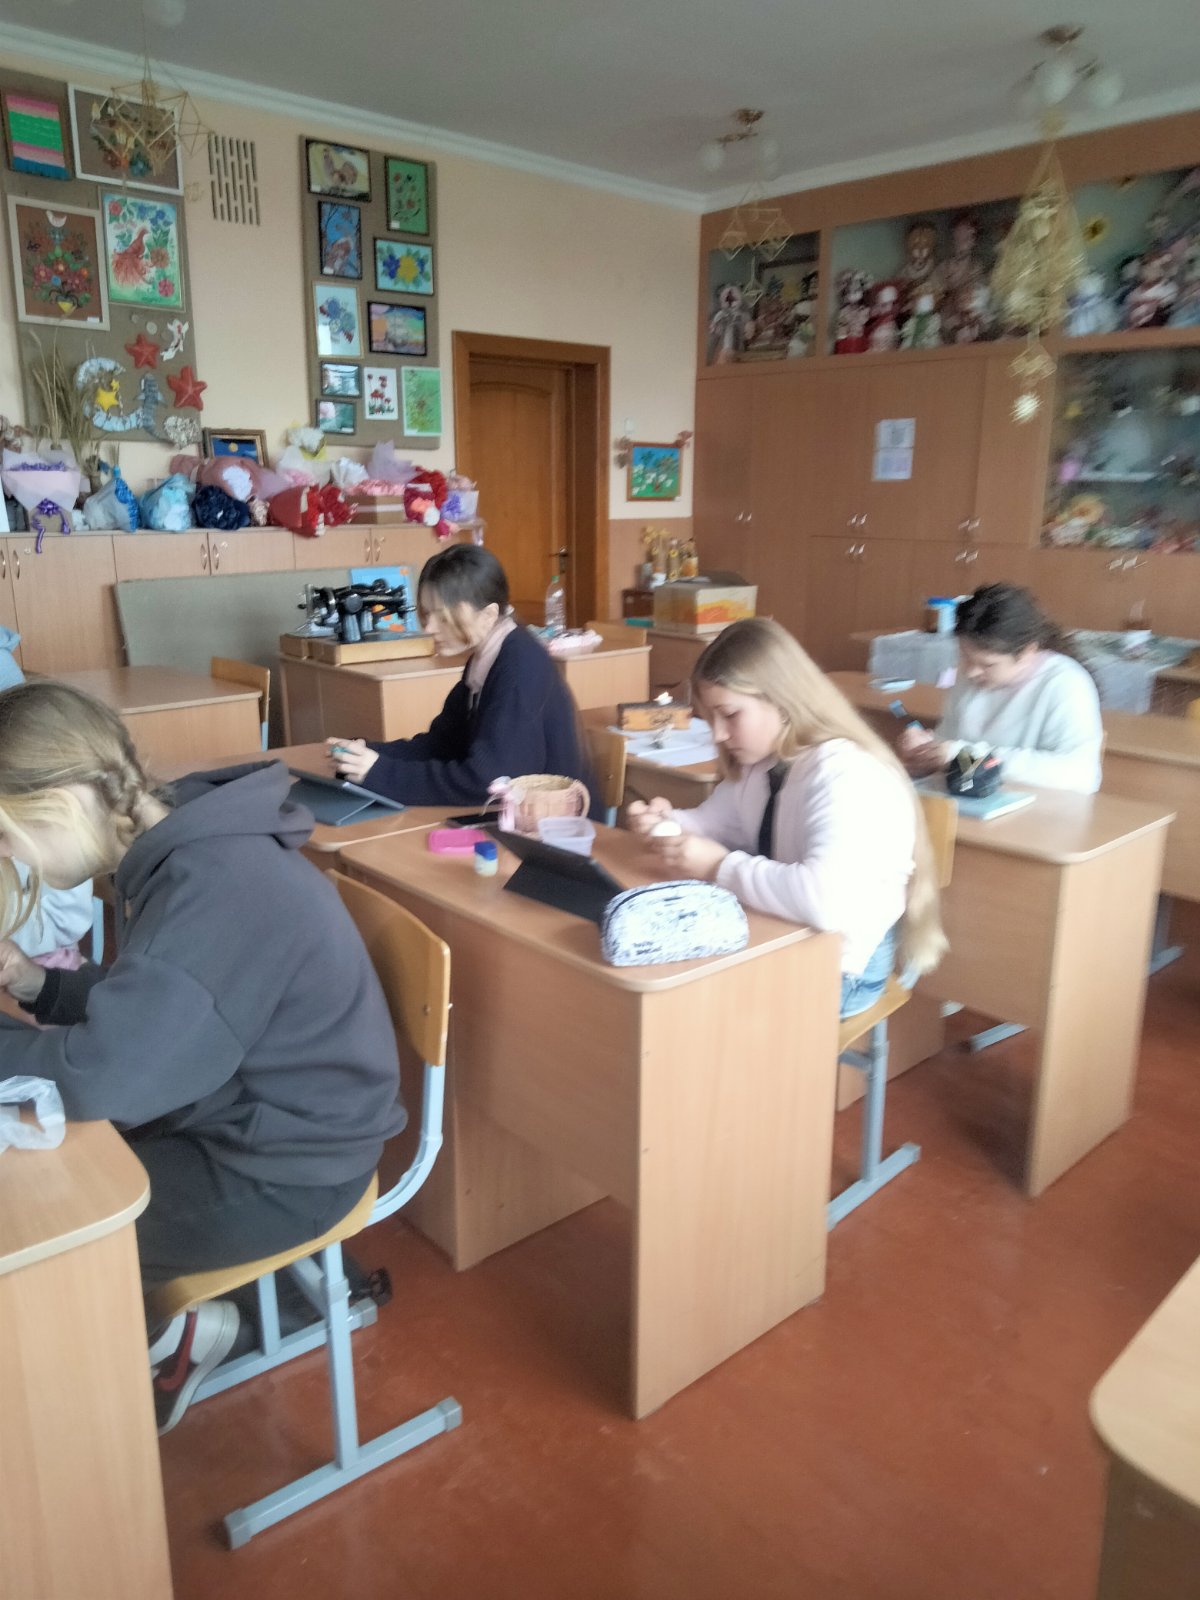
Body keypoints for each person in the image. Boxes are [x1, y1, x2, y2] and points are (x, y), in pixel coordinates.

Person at [0, 681, 405, 1432]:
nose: (6, 854)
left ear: (57, 803)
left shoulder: (215, 883)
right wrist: (40, 985)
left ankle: (175, 1344)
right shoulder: (177, 837)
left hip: (295, 1165)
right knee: (54, 1185)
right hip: (240, 1115)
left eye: (4, 834)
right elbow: (158, 1006)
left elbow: (107, 1078)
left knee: (60, 1238)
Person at [625, 618, 946, 1020]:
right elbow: (712, 825)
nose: (718, 735)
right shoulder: (764, 762)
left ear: (781, 701)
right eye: (711, 719)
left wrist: (716, 866)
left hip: (843, 969)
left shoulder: (846, 773)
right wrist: (666, 824)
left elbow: (825, 902)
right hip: (788, 938)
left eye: (730, 715)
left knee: (688, 1003)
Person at [326, 544, 597, 811]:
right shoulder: (486, 659)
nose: (429, 628)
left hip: (554, 825)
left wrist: (380, 772)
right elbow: (443, 744)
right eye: (427, 614)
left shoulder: (520, 666)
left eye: (444, 618)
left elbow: (489, 781)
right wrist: (369, 754)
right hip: (515, 815)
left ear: (489, 614)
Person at [899, 583, 1103, 794]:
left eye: (988, 664)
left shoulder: (1065, 684)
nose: (971, 672)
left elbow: (1080, 775)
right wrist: (926, 752)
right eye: (965, 656)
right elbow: (949, 743)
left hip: (1037, 806)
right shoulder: (969, 676)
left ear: (1027, 653)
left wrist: (964, 757)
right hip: (968, 799)